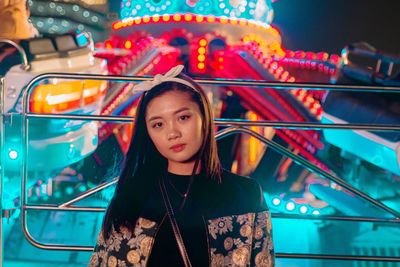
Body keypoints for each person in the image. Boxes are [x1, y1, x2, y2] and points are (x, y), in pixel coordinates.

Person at [89, 65, 274, 267]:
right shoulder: (133, 193)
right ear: (148, 133)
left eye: (183, 117)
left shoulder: (246, 193)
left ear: (205, 117)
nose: (172, 133)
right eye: (158, 124)